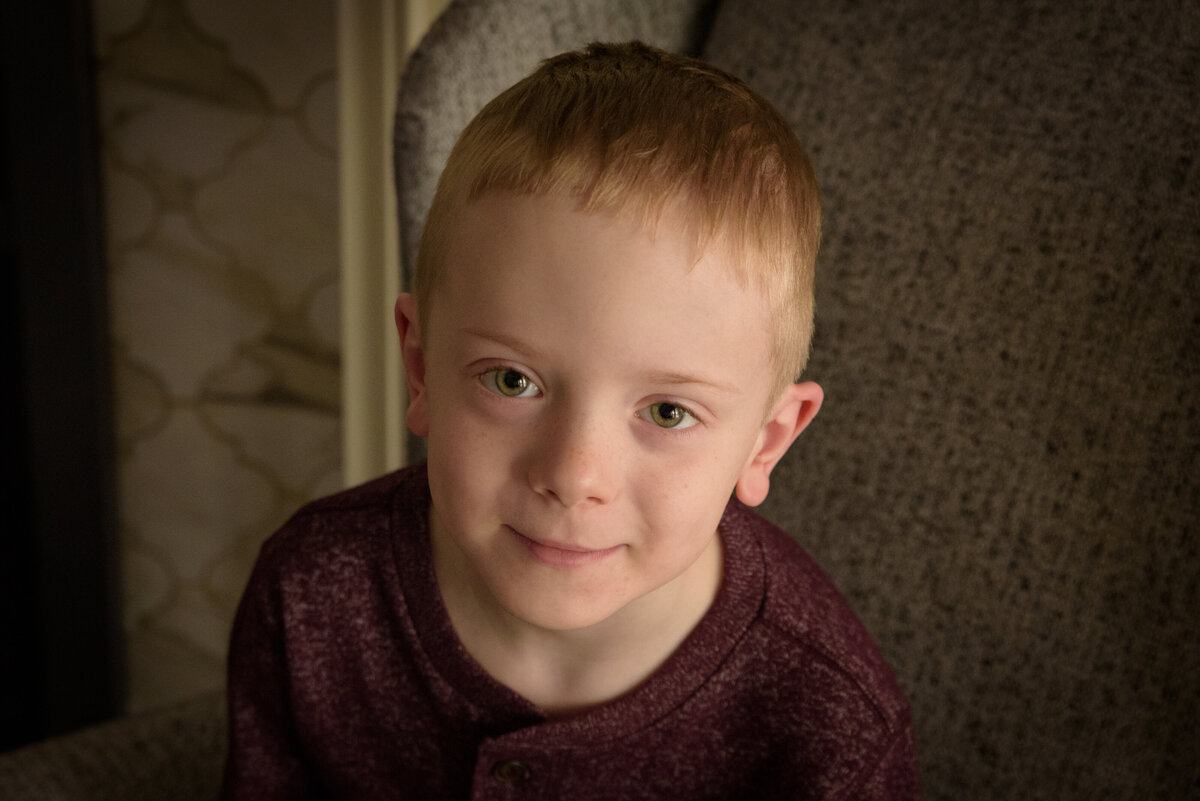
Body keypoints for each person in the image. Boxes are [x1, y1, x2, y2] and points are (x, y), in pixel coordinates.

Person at [222, 41, 919, 799]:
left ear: (766, 441)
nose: (573, 475)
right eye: (514, 380)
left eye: (667, 410)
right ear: (421, 367)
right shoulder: (310, 593)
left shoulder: (828, 721)